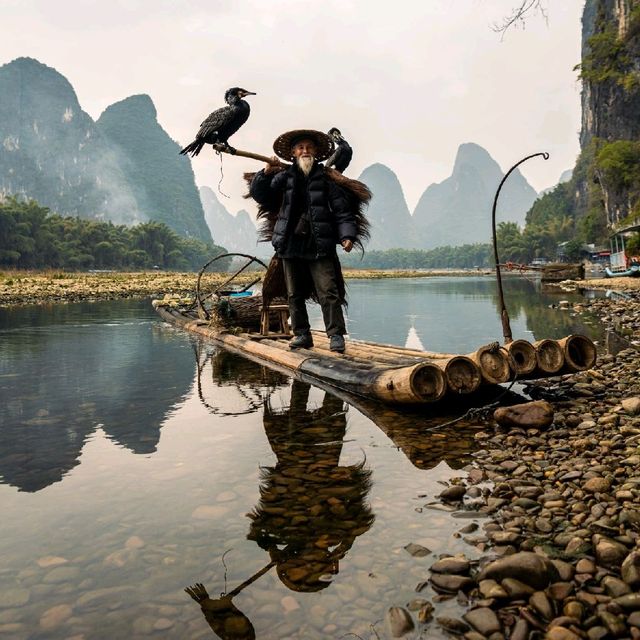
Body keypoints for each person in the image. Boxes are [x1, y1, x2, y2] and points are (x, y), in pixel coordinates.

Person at [249, 129, 361, 353]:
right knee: (294, 293)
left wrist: (347, 235)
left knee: (328, 291)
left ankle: (336, 335)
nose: (305, 151)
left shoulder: (328, 179)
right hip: (290, 244)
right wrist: (265, 173)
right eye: (300, 148)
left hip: (320, 243)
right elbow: (262, 196)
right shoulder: (283, 177)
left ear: (317, 152)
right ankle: (301, 334)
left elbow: (342, 211)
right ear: (293, 153)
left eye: (309, 147)